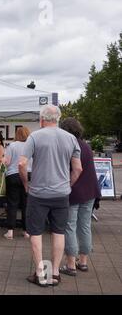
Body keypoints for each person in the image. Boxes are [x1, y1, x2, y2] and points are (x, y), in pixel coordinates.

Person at [19, 105, 83, 288]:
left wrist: (26, 184)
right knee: (59, 232)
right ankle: (54, 273)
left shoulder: (35, 136)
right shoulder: (71, 139)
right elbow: (78, 168)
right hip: (61, 194)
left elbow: (22, 164)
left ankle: (41, 273)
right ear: (58, 119)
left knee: (36, 233)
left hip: (38, 193)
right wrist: (68, 185)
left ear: (41, 119)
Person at [59, 118, 101, 276]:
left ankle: (70, 264)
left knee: (69, 226)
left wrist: (67, 185)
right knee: (84, 226)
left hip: (74, 191)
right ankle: (83, 262)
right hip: (90, 191)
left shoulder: (70, 146)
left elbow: (73, 170)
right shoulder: (86, 145)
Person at [3, 126, 32, 240]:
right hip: (29, 175)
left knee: (12, 204)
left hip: (13, 176)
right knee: (26, 204)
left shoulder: (12, 145)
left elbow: (7, 162)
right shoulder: (31, 145)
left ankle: (10, 231)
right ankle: (26, 231)